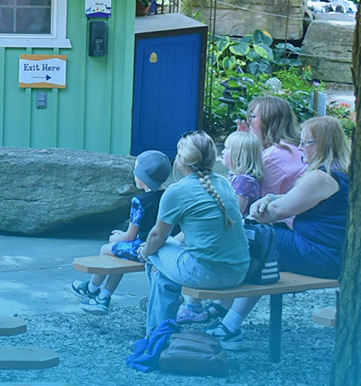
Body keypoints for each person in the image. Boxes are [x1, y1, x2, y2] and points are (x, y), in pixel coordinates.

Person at [207, 115, 352, 348]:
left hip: (320, 255)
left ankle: (215, 306)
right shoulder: (341, 171)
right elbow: (288, 200)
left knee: (258, 240)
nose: (301, 148)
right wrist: (271, 198)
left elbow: (274, 213)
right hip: (332, 254)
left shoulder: (321, 176)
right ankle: (228, 323)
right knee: (265, 249)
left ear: (322, 144)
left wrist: (261, 207)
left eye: (306, 143)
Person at [142, 131, 249, 336]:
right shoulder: (224, 183)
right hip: (238, 272)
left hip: (207, 273)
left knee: (154, 251)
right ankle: (163, 325)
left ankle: (157, 334)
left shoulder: (177, 191)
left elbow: (157, 237)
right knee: (164, 269)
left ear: (181, 160)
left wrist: (144, 251)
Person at [70, 150, 172, 315]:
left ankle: (92, 288)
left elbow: (130, 236)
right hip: (165, 245)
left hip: (145, 248)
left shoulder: (140, 202)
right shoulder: (169, 195)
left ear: (143, 178)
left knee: (107, 249)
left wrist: (117, 237)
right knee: (120, 254)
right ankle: (103, 297)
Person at [241, 96, 307, 197]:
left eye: (253, 117)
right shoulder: (295, 146)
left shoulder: (271, 157)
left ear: (269, 122)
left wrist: (240, 151)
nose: (249, 122)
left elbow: (252, 198)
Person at [223, 131, 266, 215]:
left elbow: (235, 214)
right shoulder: (238, 177)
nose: (223, 152)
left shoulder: (244, 181)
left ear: (239, 155)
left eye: (227, 148)